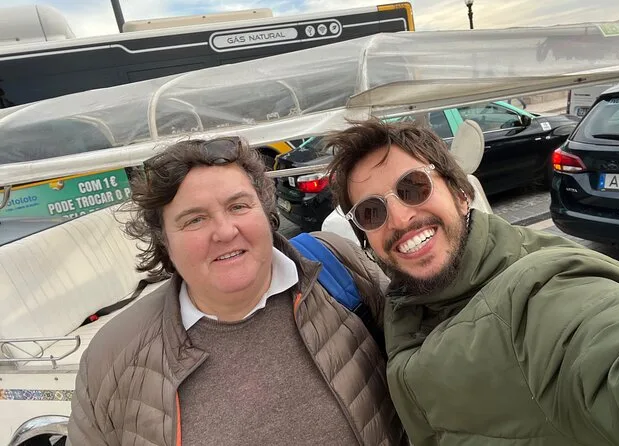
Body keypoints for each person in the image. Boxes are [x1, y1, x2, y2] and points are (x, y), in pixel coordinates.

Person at [326, 119, 619, 445]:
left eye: (413, 187)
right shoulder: (405, 307)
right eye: (372, 212)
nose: (400, 219)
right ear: (367, 241)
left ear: (461, 194)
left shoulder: (541, 291)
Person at [67, 137, 407, 446]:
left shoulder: (336, 266)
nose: (225, 231)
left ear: (265, 210)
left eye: (238, 206)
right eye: (195, 219)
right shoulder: (112, 358)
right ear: (164, 241)